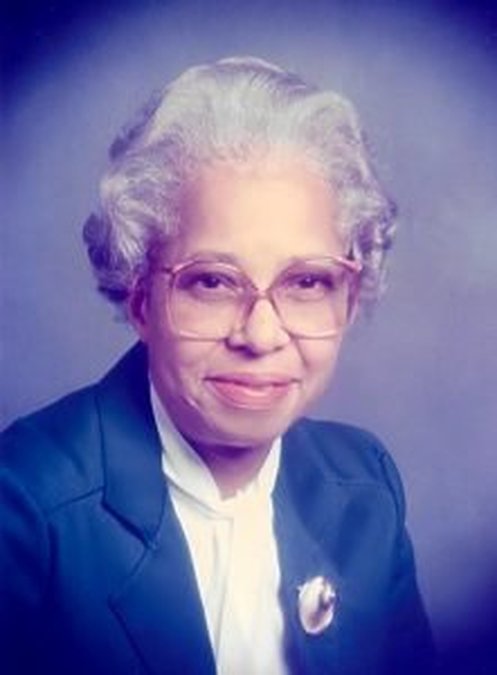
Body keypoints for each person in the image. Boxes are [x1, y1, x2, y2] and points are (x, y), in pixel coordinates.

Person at [0, 56, 434, 674]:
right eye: (212, 281)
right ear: (140, 297)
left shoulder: (366, 484)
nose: (261, 335)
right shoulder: (22, 505)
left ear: (349, 298)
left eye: (307, 281)